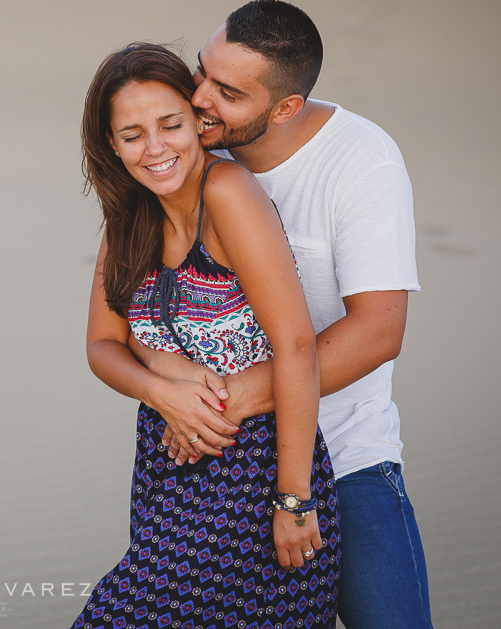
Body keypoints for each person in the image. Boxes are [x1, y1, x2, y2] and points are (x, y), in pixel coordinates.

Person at [133, 0, 432, 629]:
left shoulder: (360, 162)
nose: (200, 99)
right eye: (201, 73)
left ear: (285, 107)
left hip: (345, 449)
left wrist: (237, 397)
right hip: (221, 457)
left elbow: (380, 329)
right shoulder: (187, 152)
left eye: (229, 92)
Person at [72, 42, 340, 629]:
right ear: (111, 144)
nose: (156, 148)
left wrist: (294, 500)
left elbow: (296, 347)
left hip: (253, 478)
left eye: (171, 124)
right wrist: (160, 390)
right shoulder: (128, 221)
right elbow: (100, 345)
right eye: (132, 134)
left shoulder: (227, 194)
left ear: (198, 123)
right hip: (165, 481)